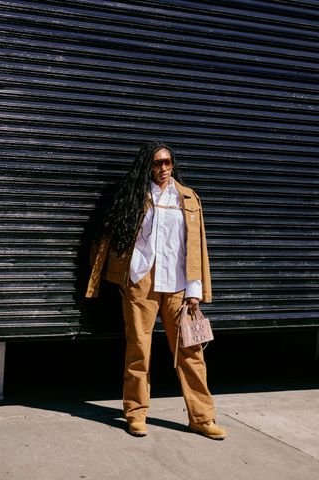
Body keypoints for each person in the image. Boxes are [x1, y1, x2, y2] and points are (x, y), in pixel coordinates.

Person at [86, 141, 227, 440]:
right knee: (139, 349)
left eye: (167, 162)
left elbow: (196, 249)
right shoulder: (135, 197)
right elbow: (113, 237)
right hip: (142, 281)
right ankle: (135, 414)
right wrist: (124, 274)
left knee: (191, 352)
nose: (163, 168)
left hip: (178, 285)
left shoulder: (188, 198)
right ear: (146, 166)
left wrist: (195, 289)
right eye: (156, 163)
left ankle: (202, 418)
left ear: (173, 164)